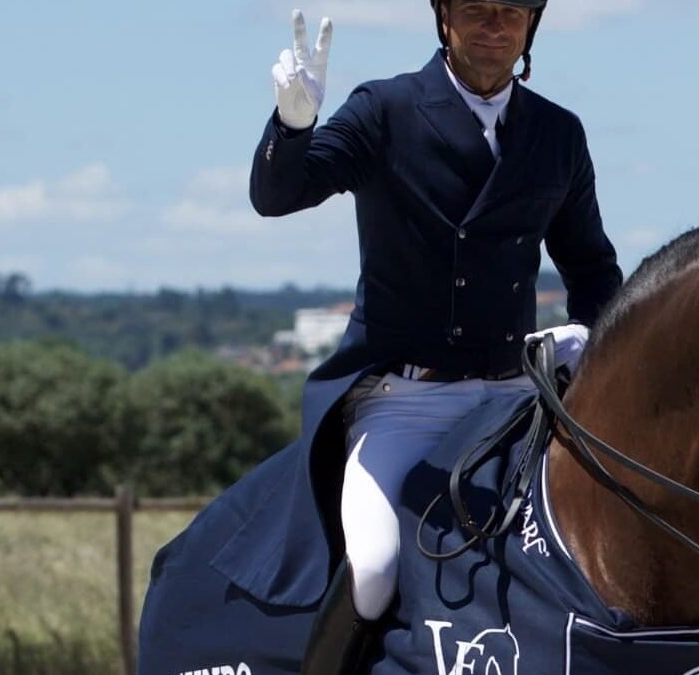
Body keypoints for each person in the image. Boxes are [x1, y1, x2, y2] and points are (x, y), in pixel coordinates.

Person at [249, 0, 622, 671]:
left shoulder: (557, 134)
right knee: (374, 567)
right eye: (476, 8)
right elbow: (278, 194)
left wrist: (589, 337)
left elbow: (592, 267)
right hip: (405, 399)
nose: (494, 24)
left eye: (510, 11)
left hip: (515, 401)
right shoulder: (385, 111)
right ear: (443, 18)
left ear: (530, 25)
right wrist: (293, 126)